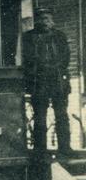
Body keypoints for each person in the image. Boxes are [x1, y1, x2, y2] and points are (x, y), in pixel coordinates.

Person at [22, 8, 71, 159]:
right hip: (39, 81)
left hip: (57, 80)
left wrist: (58, 69)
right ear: (36, 21)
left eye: (47, 19)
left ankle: (65, 149)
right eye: (41, 19)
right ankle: (40, 151)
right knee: (40, 116)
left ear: (52, 20)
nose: (44, 22)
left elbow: (66, 56)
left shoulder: (59, 36)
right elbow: (27, 58)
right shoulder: (28, 38)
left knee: (62, 115)